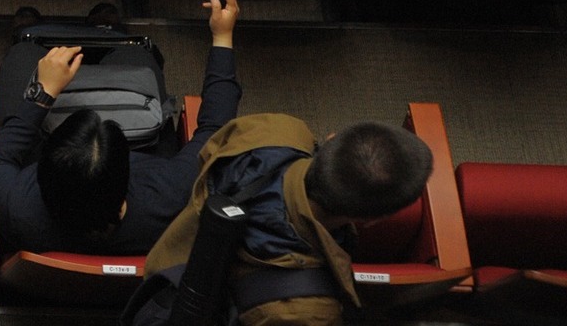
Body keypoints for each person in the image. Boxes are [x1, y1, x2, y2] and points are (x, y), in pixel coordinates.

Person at [0, 0, 241, 256]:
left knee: (23, 56)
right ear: (126, 174)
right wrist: (222, 36)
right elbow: (216, 128)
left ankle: (30, 39)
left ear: (44, 176)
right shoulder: (170, 197)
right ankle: (107, 33)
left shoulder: (19, 208)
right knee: (135, 56)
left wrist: (42, 94)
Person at [141, 116, 435, 325]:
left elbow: (208, 155)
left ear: (331, 140)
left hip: (167, 268)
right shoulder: (310, 311)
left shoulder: (276, 131)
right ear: (371, 221)